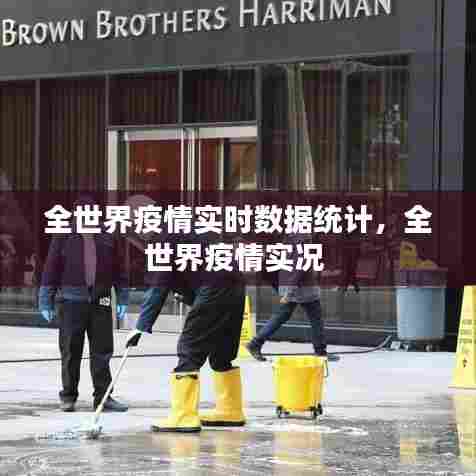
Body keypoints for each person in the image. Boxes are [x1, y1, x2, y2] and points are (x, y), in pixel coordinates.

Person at [125, 210, 246, 433]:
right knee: (222, 351)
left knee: (189, 348)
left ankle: (184, 416)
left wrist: (140, 327)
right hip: (235, 283)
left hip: (214, 287)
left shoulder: (162, 237)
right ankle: (230, 410)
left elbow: (158, 287)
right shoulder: (184, 227)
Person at [38, 195, 129, 412]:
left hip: (101, 301)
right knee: (70, 351)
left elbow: (119, 270)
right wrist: (45, 300)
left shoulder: (107, 236)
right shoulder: (63, 235)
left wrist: (123, 297)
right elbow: (51, 268)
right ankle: (68, 396)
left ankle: (103, 397)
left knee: (102, 352)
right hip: (71, 303)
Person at [246, 233, 339, 362]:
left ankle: (255, 343)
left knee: (282, 316)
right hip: (302, 287)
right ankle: (320, 351)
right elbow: (300, 267)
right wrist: (289, 291)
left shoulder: (288, 238)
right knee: (315, 318)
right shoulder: (303, 239)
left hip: (291, 285)